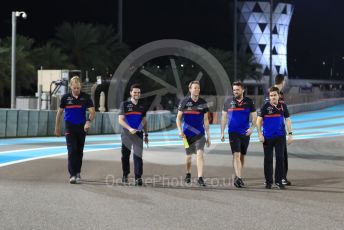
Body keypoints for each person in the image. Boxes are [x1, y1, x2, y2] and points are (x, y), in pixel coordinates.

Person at [54, 76, 95, 184]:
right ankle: (72, 175)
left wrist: (88, 122)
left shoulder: (85, 97)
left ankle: (77, 172)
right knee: (72, 151)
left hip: (81, 127)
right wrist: (57, 127)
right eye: (74, 88)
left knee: (79, 151)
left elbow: (92, 112)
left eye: (78, 88)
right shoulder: (65, 98)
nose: (76, 90)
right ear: (70, 87)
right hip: (70, 127)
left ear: (80, 86)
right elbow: (59, 113)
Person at [221, 81, 257, 188]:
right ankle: (239, 178)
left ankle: (238, 175)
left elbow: (255, 117)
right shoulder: (228, 101)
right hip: (233, 132)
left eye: (237, 89)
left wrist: (252, 128)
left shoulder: (249, 101)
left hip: (245, 133)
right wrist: (222, 132)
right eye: (234, 90)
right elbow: (223, 117)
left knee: (242, 156)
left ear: (242, 90)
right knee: (236, 154)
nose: (235, 91)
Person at [257, 86, 293, 189]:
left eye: (274, 95)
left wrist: (290, 134)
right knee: (268, 160)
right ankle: (268, 182)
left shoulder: (283, 106)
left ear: (279, 96)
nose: (273, 97)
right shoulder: (265, 107)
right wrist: (260, 134)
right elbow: (258, 121)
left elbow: (288, 120)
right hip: (267, 138)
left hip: (280, 137)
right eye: (271, 95)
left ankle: (278, 181)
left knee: (280, 158)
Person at [176, 81, 211, 187]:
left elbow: (206, 120)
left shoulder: (203, 103)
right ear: (190, 89)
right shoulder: (184, 102)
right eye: (194, 88)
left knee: (200, 154)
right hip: (186, 135)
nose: (197, 89)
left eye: (198, 88)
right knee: (189, 157)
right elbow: (178, 118)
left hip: (200, 134)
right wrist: (179, 130)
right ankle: (188, 173)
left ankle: (200, 178)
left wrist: (208, 136)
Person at [118, 84, 148, 186]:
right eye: (135, 92)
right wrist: (130, 128)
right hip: (126, 134)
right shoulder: (125, 104)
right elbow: (120, 120)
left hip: (138, 134)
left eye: (138, 92)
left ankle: (138, 177)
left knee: (138, 156)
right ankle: (125, 175)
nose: (137, 94)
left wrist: (146, 134)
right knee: (125, 156)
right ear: (131, 93)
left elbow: (144, 120)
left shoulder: (143, 105)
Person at [265, 74, 291, 186]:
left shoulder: (277, 93)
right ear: (282, 81)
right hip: (273, 131)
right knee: (279, 156)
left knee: (281, 156)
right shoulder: (272, 93)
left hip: (278, 130)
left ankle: (280, 177)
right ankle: (276, 179)